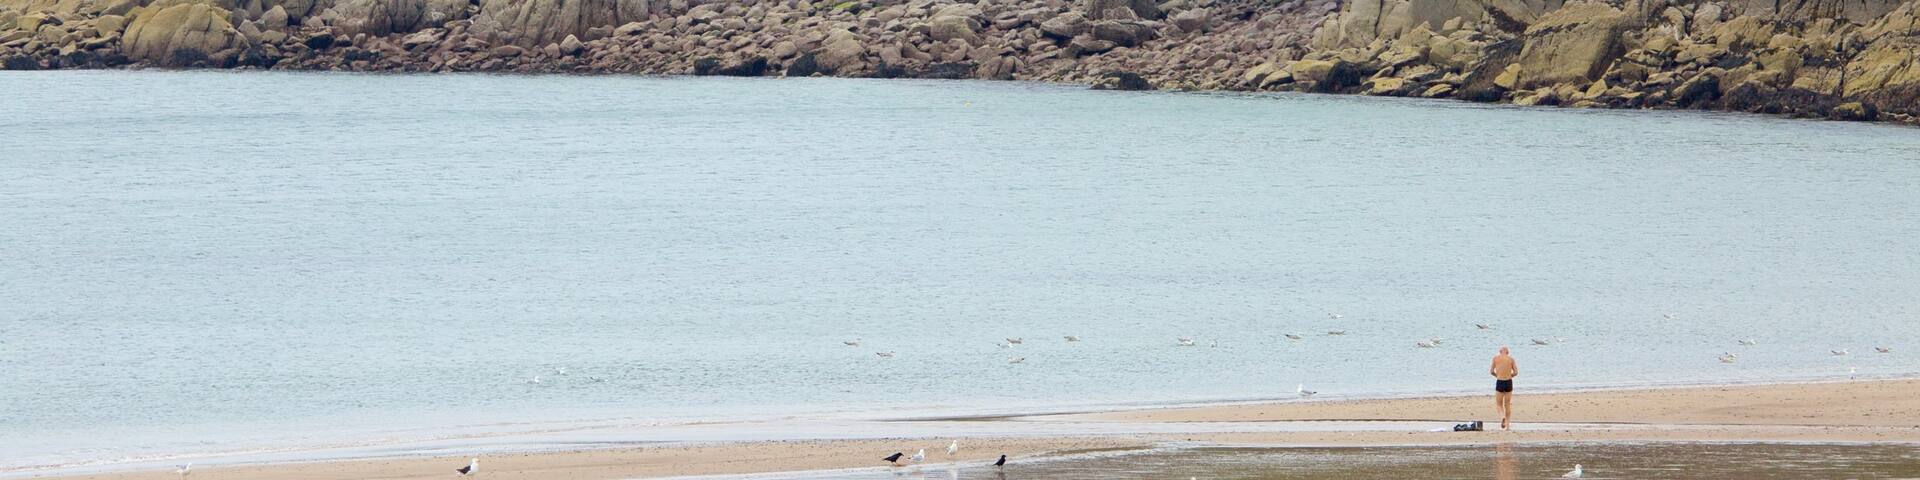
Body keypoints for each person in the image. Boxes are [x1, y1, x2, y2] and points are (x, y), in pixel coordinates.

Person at [1490, 346, 1519, 430]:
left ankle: (1502, 417)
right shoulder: (1511, 359)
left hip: (1500, 381)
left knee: (1499, 404)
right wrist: (1510, 376)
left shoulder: (1495, 358)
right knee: (1507, 404)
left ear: (1500, 351)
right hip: (1508, 382)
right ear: (1507, 352)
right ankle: (1508, 426)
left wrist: (1498, 376)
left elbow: (1491, 371)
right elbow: (1516, 372)